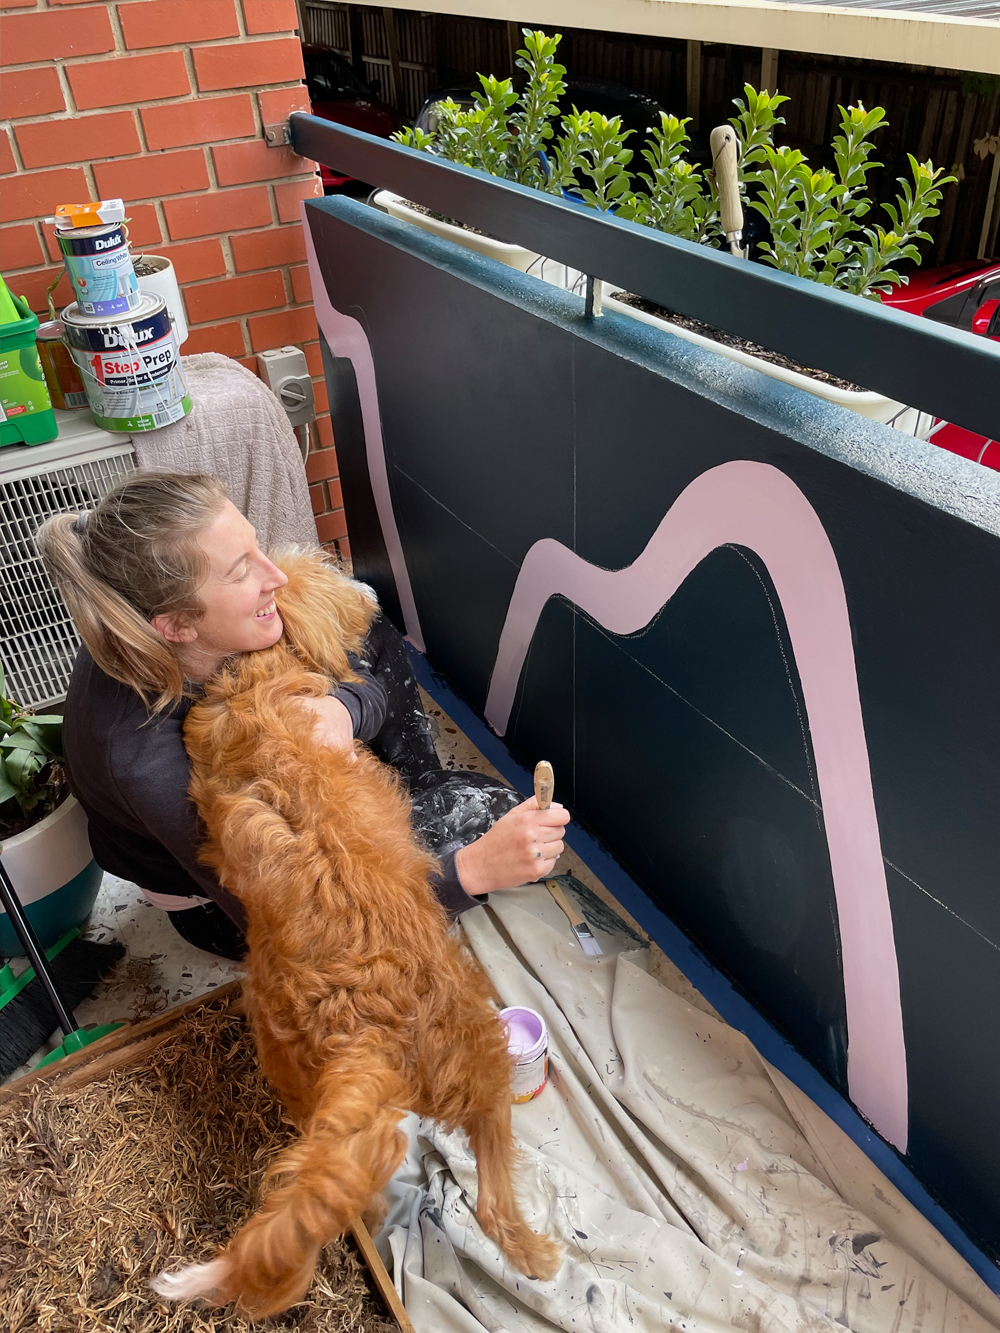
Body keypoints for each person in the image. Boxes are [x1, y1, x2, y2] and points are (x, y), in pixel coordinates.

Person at [38, 471, 570, 961]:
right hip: (229, 910)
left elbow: (358, 640)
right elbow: (298, 924)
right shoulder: (145, 764)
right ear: (176, 625)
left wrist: (342, 710)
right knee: (493, 813)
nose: (277, 576)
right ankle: (431, 824)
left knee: (366, 619)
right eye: (242, 571)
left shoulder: (155, 619)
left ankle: (417, 782)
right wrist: (469, 873)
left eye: (257, 548)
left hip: (279, 794)